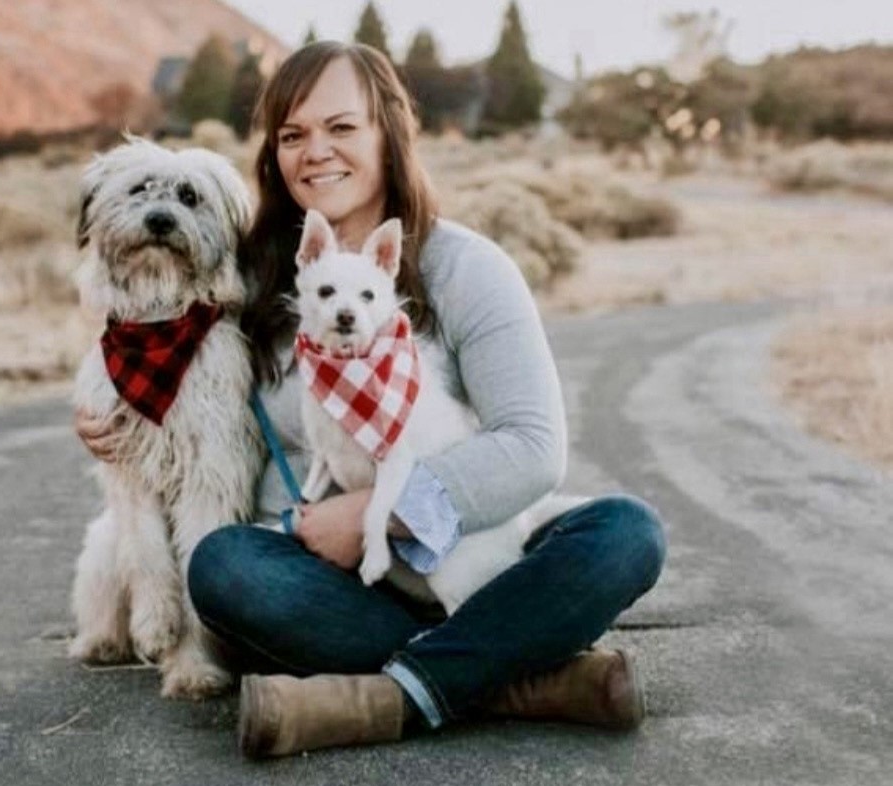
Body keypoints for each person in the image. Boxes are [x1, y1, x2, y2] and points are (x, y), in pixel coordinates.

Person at [79, 41, 667, 758]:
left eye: (340, 127)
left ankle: (386, 696)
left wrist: (377, 516)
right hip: (314, 577)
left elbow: (531, 447)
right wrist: (119, 416)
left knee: (622, 533)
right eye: (292, 135)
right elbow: (169, 366)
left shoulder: (467, 267)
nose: (314, 152)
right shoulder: (257, 280)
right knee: (224, 567)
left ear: (390, 129)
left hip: (458, 552)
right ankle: (521, 674)